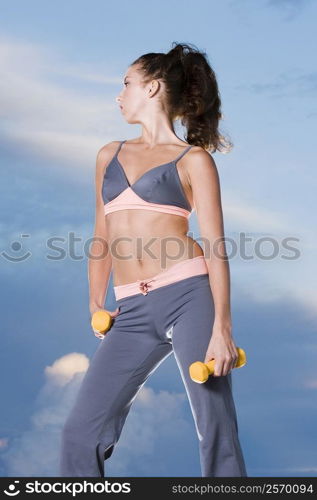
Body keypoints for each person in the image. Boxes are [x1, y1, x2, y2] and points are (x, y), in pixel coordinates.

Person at [59, 42, 247, 477]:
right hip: (130, 309)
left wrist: (222, 329)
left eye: (127, 83)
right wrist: (94, 302)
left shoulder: (193, 160)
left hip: (188, 295)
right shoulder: (109, 154)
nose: (119, 94)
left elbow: (216, 247)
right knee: (79, 434)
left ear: (153, 87)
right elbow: (101, 236)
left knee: (214, 424)